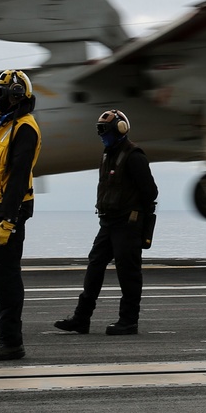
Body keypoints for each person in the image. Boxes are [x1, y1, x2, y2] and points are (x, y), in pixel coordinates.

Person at [54, 109, 157, 336]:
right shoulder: (107, 154)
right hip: (108, 223)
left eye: (105, 131)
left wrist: (135, 215)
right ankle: (81, 319)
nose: (102, 135)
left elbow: (151, 192)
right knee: (95, 266)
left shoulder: (134, 156)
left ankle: (129, 321)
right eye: (100, 131)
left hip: (127, 224)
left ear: (120, 129)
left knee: (128, 272)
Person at [0, 69, 41, 361]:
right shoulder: (4, 126)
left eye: (0, 95)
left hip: (6, 213)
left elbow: (17, 178)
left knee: (7, 279)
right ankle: (3, 337)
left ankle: (12, 343)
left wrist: (9, 220)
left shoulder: (24, 128)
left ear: (16, 96)